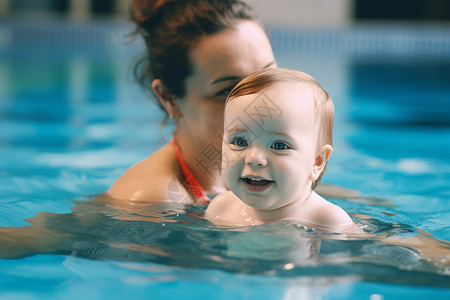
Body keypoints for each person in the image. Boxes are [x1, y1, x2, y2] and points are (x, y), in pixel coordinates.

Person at [106, 0, 358, 205]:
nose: (263, 106)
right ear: (169, 98)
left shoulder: (252, 169)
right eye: (228, 90)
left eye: (265, 77)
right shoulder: (152, 200)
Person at [205, 68, 355, 232]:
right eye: (239, 141)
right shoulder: (220, 208)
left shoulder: (327, 221)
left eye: (279, 146)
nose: (254, 158)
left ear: (317, 162)